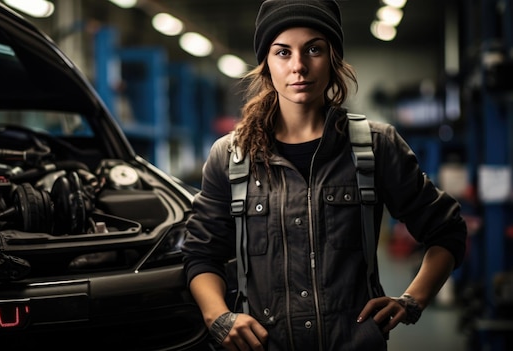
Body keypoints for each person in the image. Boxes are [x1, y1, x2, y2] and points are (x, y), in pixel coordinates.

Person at [181, 0, 468, 350]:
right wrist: (218, 317)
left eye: (314, 49)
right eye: (282, 52)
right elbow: (200, 254)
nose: (298, 66)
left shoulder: (377, 146)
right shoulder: (229, 156)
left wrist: (412, 300)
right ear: (266, 64)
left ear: (333, 59)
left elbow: (446, 230)